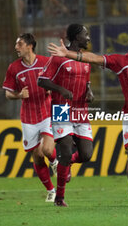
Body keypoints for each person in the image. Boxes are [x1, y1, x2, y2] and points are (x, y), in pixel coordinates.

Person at [47, 24, 128, 211]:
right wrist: (66, 54)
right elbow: (94, 58)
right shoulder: (121, 61)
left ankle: (66, 163)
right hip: (66, 108)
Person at [38, 24, 94, 207]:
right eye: (85, 35)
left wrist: (89, 92)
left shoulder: (85, 59)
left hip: (80, 110)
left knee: (86, 155)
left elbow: (86, 82)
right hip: (61, 108)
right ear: (77, 37)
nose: (88, 38)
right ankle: (60, 198)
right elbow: (42, 80)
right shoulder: (58, 58)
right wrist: (61, 89)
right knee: (66, 149)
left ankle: (66, 163)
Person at [2, 33, 58, 202]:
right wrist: (19, 95)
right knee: (37, 156)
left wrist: (52, 89)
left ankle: (55, 162)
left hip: (47, 112)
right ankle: (51, 190)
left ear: (29, 46)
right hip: (28, 117)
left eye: (19, 44)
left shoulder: (45, 62)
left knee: (47, 150)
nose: (16, 47)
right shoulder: (14, 68)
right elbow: (8, 94)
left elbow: (59, 83)